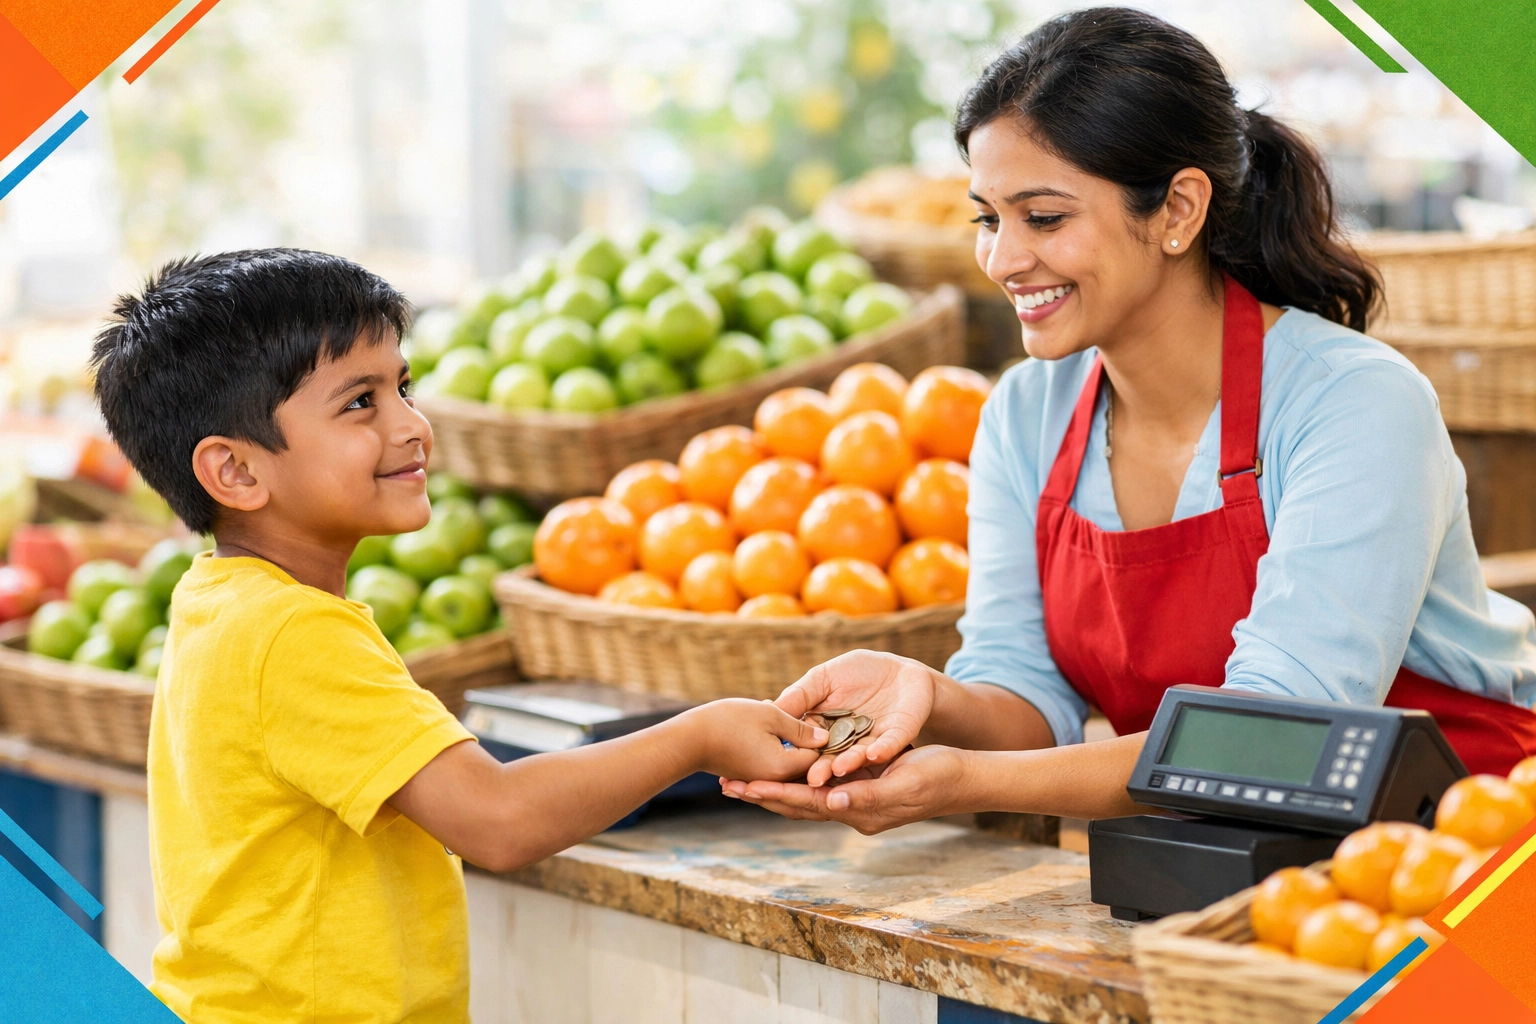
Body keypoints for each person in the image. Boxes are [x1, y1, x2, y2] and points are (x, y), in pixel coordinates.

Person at [722, 7, 1536, 833]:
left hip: (1472, 852)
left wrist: (968, 781)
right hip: (1230, 859)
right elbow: (1028, 696)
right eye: (987, 218)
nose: (1003, 259)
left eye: (1043, 218)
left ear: (1179, 210)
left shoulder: (1355, 403)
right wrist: (927, 696)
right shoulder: (1027, 412)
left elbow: (1279, 733)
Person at [91, 248, 828, 1022]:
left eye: (402, 387)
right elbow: (498, 820)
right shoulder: (290, 630)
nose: (412, 425)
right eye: (359, 404)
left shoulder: (220, 599)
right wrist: (699, 738)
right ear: (235, 473)